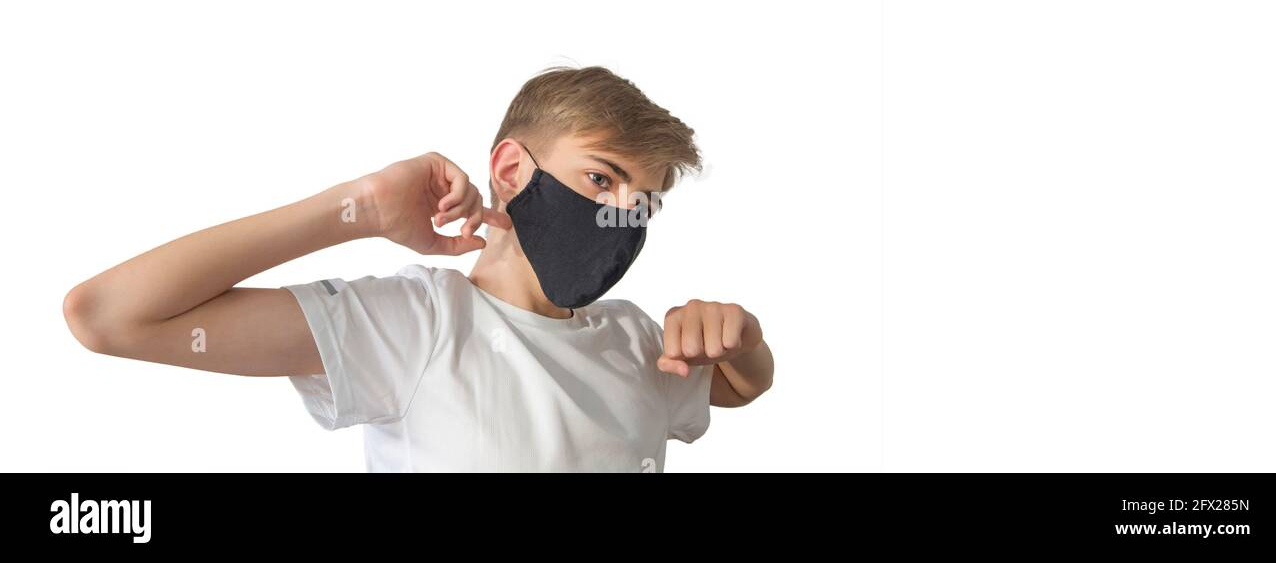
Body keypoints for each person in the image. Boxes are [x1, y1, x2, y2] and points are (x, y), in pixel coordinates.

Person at [63, 66, 775, 472]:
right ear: (510, 169)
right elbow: (110, 316)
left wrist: (743, 337)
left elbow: (742, 386)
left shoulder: (634, 337)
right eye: (602, 180)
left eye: (644, 202)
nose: (625, 214)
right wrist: (361, 208)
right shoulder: (414, 325)